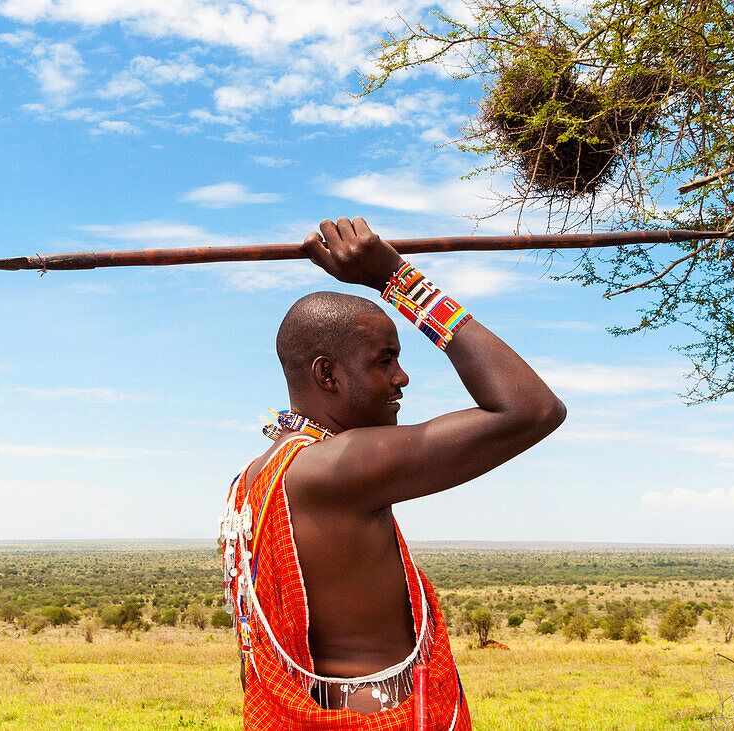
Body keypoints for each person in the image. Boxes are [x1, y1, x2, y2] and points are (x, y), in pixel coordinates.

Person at [219, 217, 566, 729]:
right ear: (327, 374)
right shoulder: (337, 466)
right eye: (385, 360)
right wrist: (397, 278)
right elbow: (532, 409)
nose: (402, 378)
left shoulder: (257, 477)